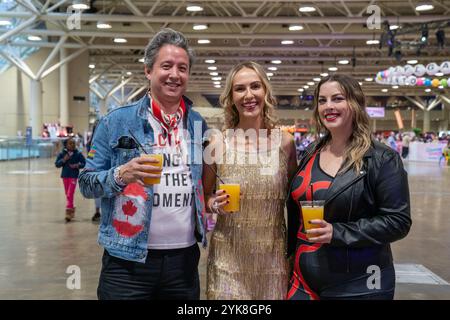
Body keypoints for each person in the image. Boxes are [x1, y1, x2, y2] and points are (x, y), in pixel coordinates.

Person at [78, 28, 209, 300]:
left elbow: (199, 184)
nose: (175, 74)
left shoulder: (197, 123)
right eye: (167, 66)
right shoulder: (115, 121)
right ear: (148, 71)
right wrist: (121, 174)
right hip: (127, 261)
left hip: (184, 261)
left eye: (182, 68)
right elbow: (87, 184)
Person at [286, 74, 411, 300]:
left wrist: (337, 232)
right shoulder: (310, 153)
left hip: (358, 283)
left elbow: (398, 222)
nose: (328, 106)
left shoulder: (382, 159)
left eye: (337, 99)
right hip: (302, 279)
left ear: (355, 103)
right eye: (322, 100)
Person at [204, 61, 297, 299]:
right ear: (230, 96)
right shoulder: (217, 144)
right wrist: (214, 204)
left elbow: (295, 200)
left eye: (255, 86)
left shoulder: (285, 144)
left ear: (265, 91)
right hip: (228, 259)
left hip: (272, 260)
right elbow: (204, 196)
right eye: (240, 89)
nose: (248, 95)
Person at [55, 137, 86, 222]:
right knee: (67, 194)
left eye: (73, 143)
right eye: (70, 143)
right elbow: (57, 164)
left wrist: (77, 165)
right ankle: (72, 208)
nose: (72, 145)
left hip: (74, 176)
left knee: (69, 194)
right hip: (65, 176)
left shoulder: (78, 154)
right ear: (66, 145)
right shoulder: (62, 154)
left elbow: (84, 163)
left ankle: (68, 212)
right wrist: (63, 160)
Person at [86, 119, 101, 222]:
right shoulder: (93, 143)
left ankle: (98, 211)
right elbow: (91, 156)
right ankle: (97, 211)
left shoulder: (92, 142)